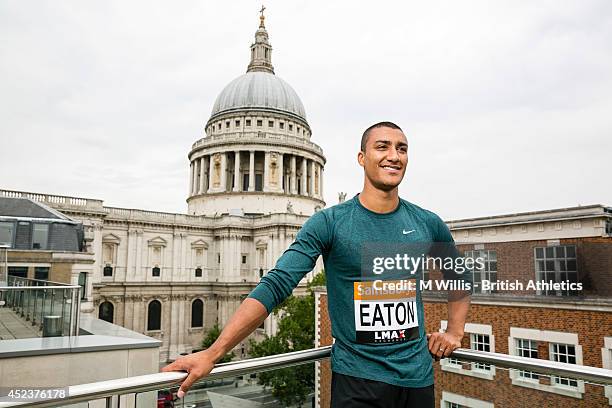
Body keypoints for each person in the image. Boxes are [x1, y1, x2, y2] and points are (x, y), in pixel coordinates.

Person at [161, 121, 471, 407]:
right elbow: (277, 284)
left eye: (401, 148)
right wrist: (214, 353)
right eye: (383, 146)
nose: (393, 156)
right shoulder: (329, 223)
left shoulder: (427, 223)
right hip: (357, 383)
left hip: (417, 380)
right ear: (362, 158)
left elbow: (459, 276)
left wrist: (455, 332)